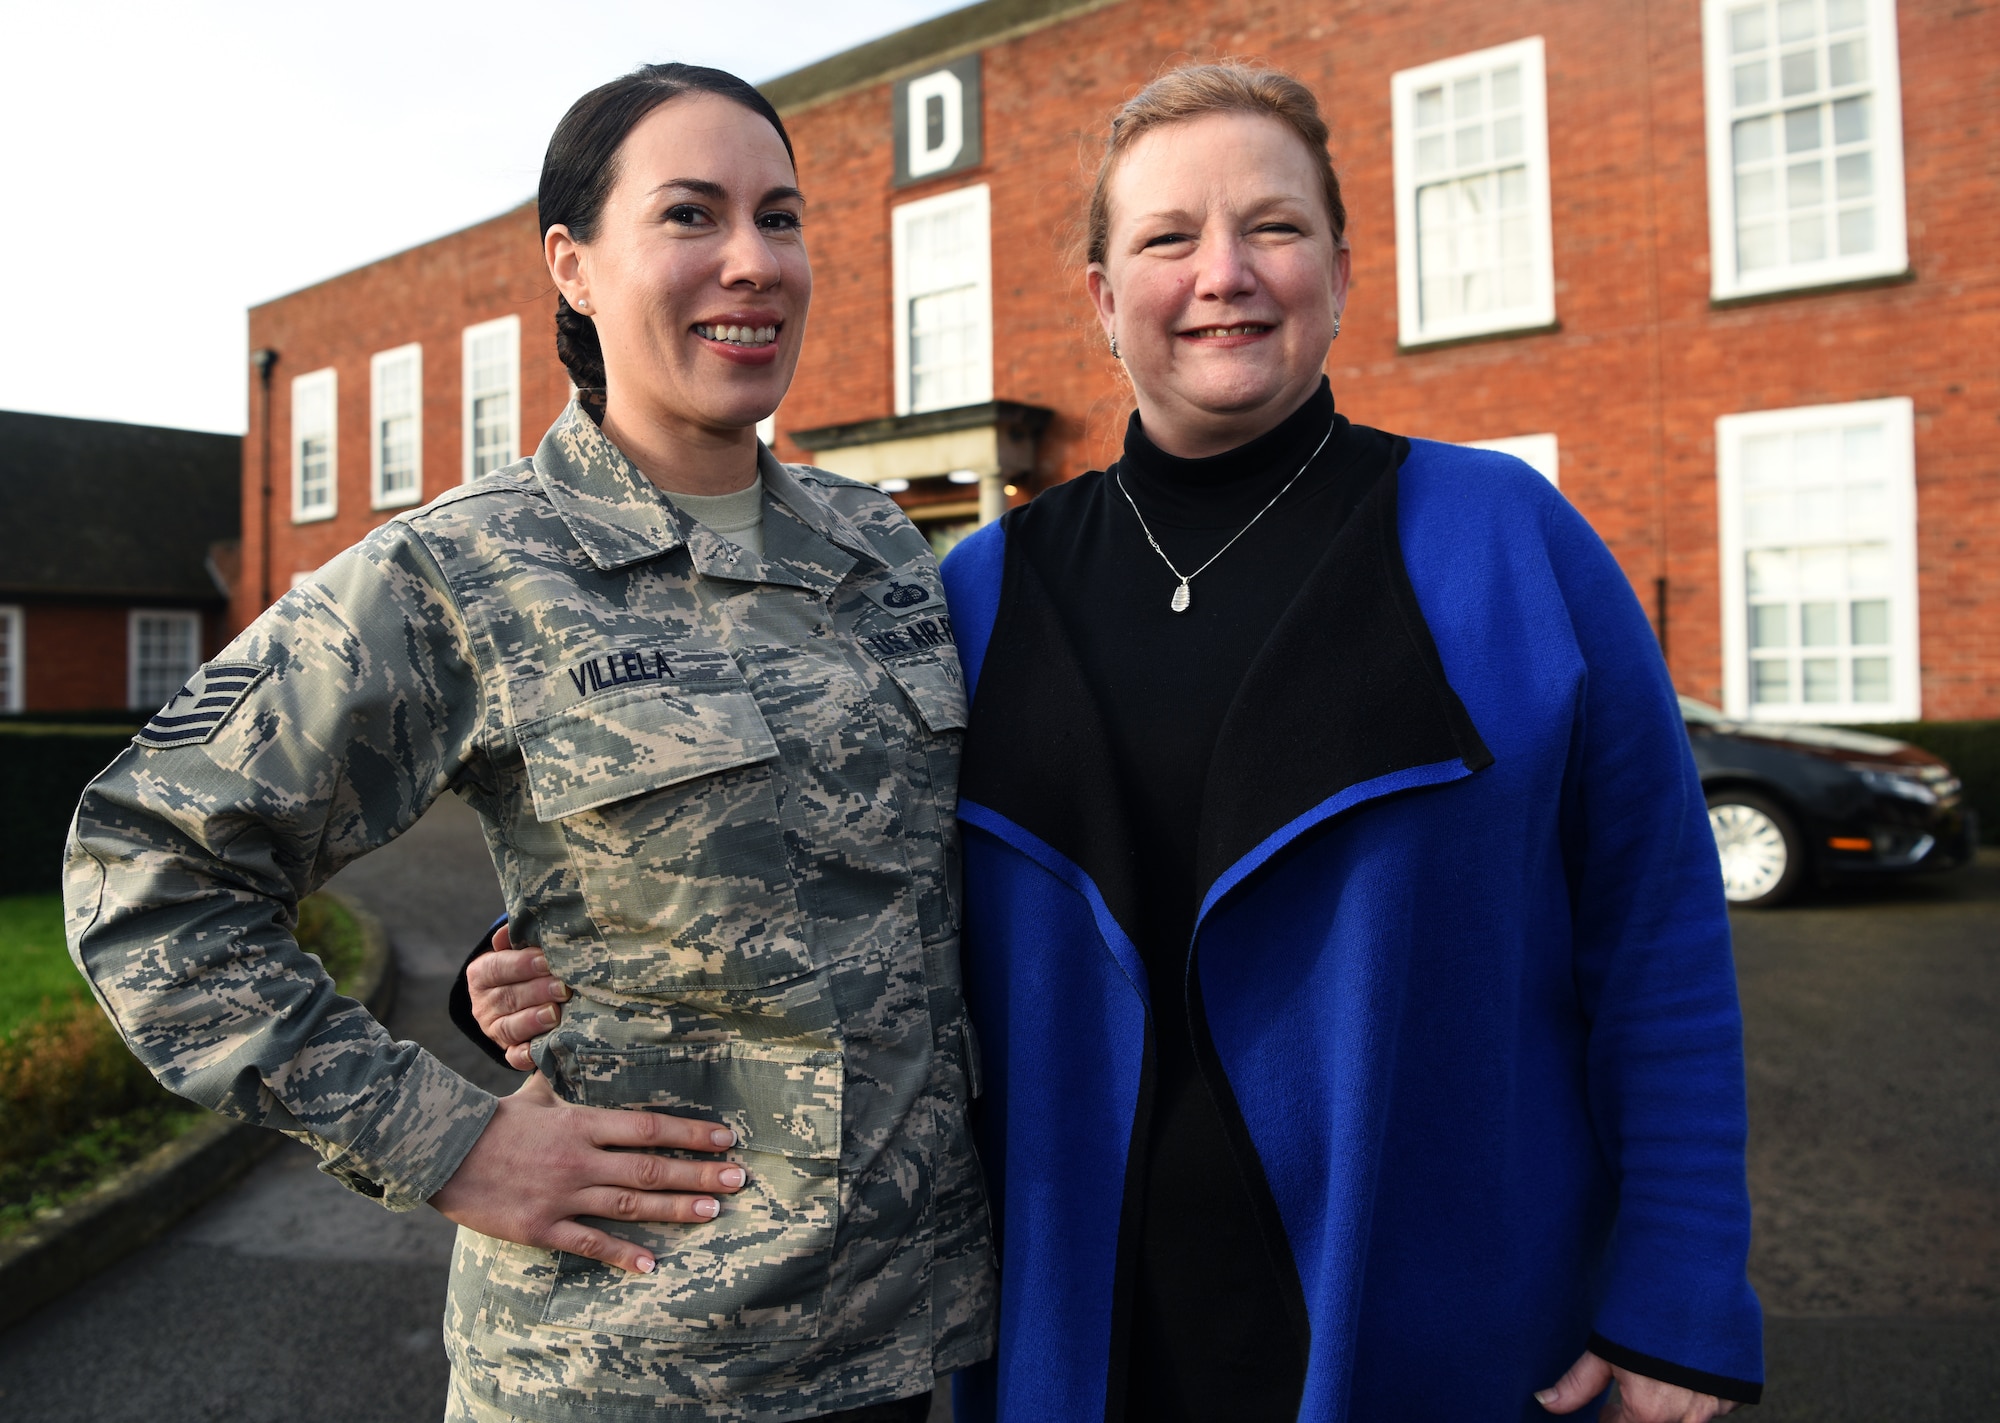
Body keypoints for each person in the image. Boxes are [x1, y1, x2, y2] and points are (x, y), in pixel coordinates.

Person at [468, 62, 1763, 1423]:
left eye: (1274, 227)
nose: (1226, 275)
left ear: (1341, 267)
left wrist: (1679, 1302)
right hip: (1069, 1331)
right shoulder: (974, 592)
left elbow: (1658, 934)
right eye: (1167, 238)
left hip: (1433, 1326)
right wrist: (534, 950)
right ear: (1100, 297)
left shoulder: (1506, 539)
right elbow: (787, 843)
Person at [64, 63, 992, 1423]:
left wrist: (522, 945)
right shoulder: (464, 571)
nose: (752, 262)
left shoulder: (886, 554)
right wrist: (445, 1142)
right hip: (630, 1364)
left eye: (780, 218)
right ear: (573, 265)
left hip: (911, 1353)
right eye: (691, 215)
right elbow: (144, 870)